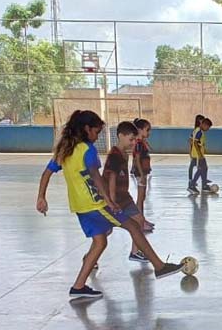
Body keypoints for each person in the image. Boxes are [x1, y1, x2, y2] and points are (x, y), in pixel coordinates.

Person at [35, 110, 183, 299]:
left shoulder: (66, 150)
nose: (97, 137)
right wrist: (109, 201)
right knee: (133, 226)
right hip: (95, 204)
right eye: (96, 132)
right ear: (86, 129)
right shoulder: (87, 150)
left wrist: (41, 197)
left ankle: (78, 286)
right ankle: (159, 266)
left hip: (80, 207)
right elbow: (97, 178)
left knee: (100, 242)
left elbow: (46, 173)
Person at [104, 121, 153, 264]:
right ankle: (90, 258)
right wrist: (112, 201)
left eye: (134, 140)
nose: (133, 143)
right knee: (105, 233)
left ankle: (135, 252)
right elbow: (111, 178)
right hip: (114, 199)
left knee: (139, 221)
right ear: (121, 136)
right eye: (131, 140)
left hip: (125, 198)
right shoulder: (114, 154)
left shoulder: (124, 154)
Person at [131, 118, 154, 232]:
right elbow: (137, 159)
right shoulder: (138, 144)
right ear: (139, 130)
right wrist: (141, 174)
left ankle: (142, 219)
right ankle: (140, 222)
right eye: (147, 130)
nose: (149, 133)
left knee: (143, 197)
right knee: (140, 198)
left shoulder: (141, 142)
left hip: (143, 172)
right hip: (140, 173)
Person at [189, 117, 214, 194]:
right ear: (203, 124)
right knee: (200, 169)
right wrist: (199, 154)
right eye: (207, 127)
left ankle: (204, 185)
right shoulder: (199, 132)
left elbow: (199, 143)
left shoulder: (199, 131)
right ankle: (192, 185)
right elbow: (195, 143)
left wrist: (203, 150)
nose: (208, 129)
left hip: (200, 154)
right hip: (197, 155)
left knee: (205, 168)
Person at [188, 114, 204, 188]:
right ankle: (192, 183)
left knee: (193, 166)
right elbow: (192, 141)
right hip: (196, 153)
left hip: (194, 152)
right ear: (199, 121)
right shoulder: (198, 131)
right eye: (202, 120)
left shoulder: (195, 130)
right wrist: (191, 150)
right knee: (200, 168)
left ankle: (191, 180)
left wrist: (190, 150)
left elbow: (190, 141)